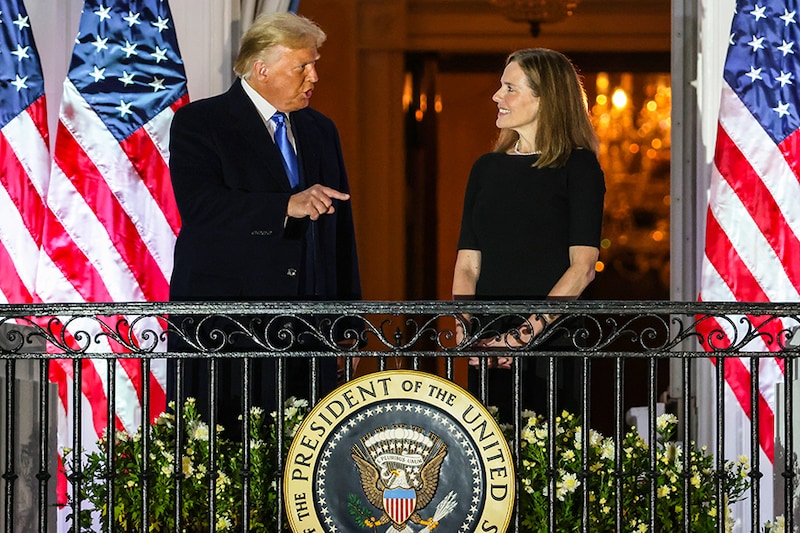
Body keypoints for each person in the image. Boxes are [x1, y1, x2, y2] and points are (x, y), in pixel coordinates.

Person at [167, 12, 361, 435]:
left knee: (306, 461)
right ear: (262, 69)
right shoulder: (201, 122)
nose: (313, 76)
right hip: (229, 328)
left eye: (314, 64)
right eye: (303, 66)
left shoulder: (320, 129)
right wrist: (284, 206)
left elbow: (339, 233)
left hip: (308, 328)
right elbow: (203, 208)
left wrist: (346, 323)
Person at [452, 48, 605, 422]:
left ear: (545, 98)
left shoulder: (579, 166)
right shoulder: (486, 169)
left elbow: (582, 268)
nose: (496, 97)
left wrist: (523, 336)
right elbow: (468, 263)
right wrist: (465, 329)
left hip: (550, 344)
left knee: (548, 462)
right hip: (488, 345)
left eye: (509, 88)